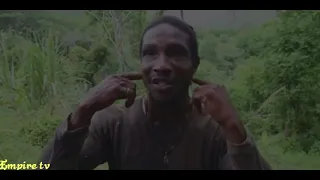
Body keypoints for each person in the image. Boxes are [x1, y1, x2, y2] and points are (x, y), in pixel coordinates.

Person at [39, 16, 271, 170]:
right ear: (141, 64)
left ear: (195, 65)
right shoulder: (113, 123)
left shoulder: (216, 132)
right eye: (150, 53)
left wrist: (234, 128)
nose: (161, 65)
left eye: (176, 53)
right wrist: (83, 110)